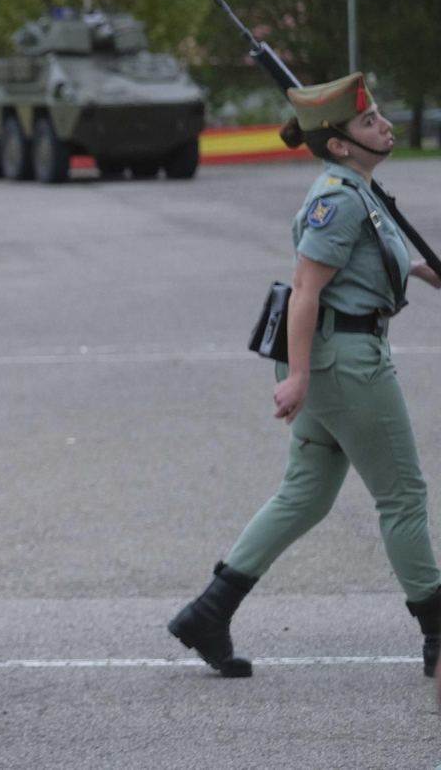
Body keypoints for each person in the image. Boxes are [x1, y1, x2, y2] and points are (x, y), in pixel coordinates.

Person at [170, 72, 441, 679]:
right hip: (345, 364)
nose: (386, 126)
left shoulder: (358, 189)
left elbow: (368, 261)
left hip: (334, 361)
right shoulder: (338, 199)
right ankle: (438, 634)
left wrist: (423, 270)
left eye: (379, 116)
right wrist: (298, 377)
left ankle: (208, 612)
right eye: (369, 121)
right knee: (403, 497)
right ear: (340, 143)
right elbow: (305, 290)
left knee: (305, 495)